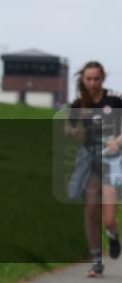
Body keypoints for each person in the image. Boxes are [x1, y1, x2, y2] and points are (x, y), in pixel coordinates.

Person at [65, 61, 122, 278]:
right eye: (88, 79)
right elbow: (68, 126)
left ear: (102, 78)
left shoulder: (115, 99)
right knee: (90, 210)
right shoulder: (79, 103)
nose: (92, 83)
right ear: (83, 79)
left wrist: (118, 141)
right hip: (90, 160)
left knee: (108, 219)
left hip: (113, 159)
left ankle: (113, 235)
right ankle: (96, 261)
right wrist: (74, 132)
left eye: (96, 79)